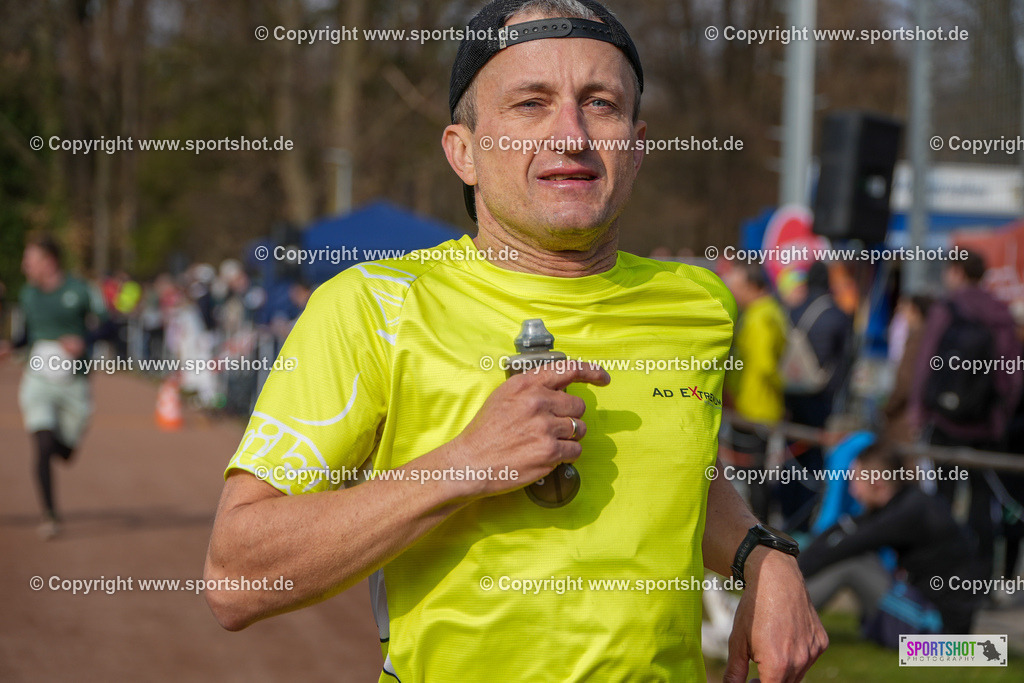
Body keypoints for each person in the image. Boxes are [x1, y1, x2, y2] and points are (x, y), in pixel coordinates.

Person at [204, 2, 827, 681]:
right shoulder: (373, 305)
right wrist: (466, 464)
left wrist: (761, 555)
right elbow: (236, 575)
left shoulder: (697, 304)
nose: (571, 134)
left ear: (638, 144)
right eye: (530, 104)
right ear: (463, 151)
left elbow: (680, 474)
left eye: (601, 104)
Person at [910, 251, 1023, 575]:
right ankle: (982, 576)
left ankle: (940, 572)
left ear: (957, 272)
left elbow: (926, 362)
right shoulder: (1001, 311)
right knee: (982, 503)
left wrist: (920, 410)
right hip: (986, 425)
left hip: (944, 420)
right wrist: (1000, 412)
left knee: (942, 498)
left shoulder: (947, 309)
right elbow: (1013, 375)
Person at [800, 442, 979, 635]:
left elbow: (846, 545)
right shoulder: (904, 501)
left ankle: (790, 619)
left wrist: (794, 572)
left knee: (852, 565)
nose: (853, 491)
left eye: (855, 480)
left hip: (939, 629)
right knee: (853, 558)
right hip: (924, 609)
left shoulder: (908, 513)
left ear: (877, 482)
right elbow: (844, 528)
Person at [1, 234, 107, 539]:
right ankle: (50, 515)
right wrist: (11, 346)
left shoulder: (80, 290)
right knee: (43, 445)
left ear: (49, 262)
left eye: (29, 260)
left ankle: (61, 445)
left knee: (65, 452)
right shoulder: (28, 295)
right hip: (37, 381)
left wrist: (83, 341)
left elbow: (107, 324)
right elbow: (27, 335)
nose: (24, 266)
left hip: (74, 383)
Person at [781, 261, 853, 530]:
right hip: (819, 399)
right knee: (813, 459)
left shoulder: (793, 310)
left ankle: (787, 512)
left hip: (790, 395)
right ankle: (805, 517)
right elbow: (844, 363)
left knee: (790, 455)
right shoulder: (837, 315)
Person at [724, 262, 788, 521]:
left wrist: (777, 400)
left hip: (754, 408)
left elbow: (765, 366)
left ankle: (756, 526)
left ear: (752, 286)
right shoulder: (761, 312)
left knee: (753, 476)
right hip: (750, 406)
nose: (732, 293)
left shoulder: (762, 316)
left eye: (736, 288)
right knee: (750, 474)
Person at [881, 295, 931, 444]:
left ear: (915, 311)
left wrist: (888, 407)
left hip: (906, 417)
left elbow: (905, 381)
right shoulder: (928, 338)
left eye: (904, 310)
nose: (901, 315)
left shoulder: (917, 339)